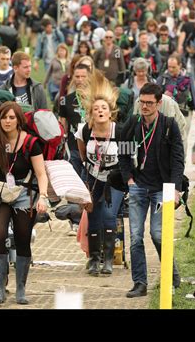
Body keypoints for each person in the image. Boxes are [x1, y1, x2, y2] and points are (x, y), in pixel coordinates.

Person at [0, 102, 49, 305]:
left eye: (11, 117)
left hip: (24, 193)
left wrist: (43, 196)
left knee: (23, 238)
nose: (7, 121)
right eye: (4, 117)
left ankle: (21, 289)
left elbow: (41, 173)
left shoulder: (31, 143)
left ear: (19, 120)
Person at [119, 83, 184, 298]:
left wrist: (175, 189)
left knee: (157, 234)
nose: (144, 106)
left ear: (158, 103)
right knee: (135, 237)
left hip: (161, 188)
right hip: (138, 186)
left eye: (149, 103)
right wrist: (128, 178)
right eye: (142, 102)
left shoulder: (168, 125)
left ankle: (171, 274)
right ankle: (140, 283)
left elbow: (177, 160)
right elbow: (124, 153)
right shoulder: (133, 124)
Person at [74, 72, 124, 276]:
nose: (100, 111)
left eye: (104, 108)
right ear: (91, 113)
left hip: (115, 180)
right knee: (93, 214)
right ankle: (94, 259)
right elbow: (82, 155)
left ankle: (109, 260)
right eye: (96, 109)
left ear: (110, 111)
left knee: (109, 216)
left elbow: (129, 157)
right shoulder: (84, 131)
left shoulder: (119, 131)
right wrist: (85, 180)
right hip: (93, 178)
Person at [156, 54, 195, 148]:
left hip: (184, 114)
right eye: (169, 67)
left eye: (174, 67)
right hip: (167, 115)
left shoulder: (188, 78)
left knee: (182, 140)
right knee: (166, 140)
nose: (171, 69)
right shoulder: (162, 79)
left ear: (180, 65)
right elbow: (155, 97)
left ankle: (181, 161)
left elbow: (194, 98)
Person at [59, 63, 92, 176]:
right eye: (77, 77)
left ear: (89, 77)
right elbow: (63, 125)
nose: (80, 80)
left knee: (91, 183)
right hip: (73, 147)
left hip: (93, 146)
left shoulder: (97, 99)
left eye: (83, 76)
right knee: (75, 180)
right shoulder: (66, 100)